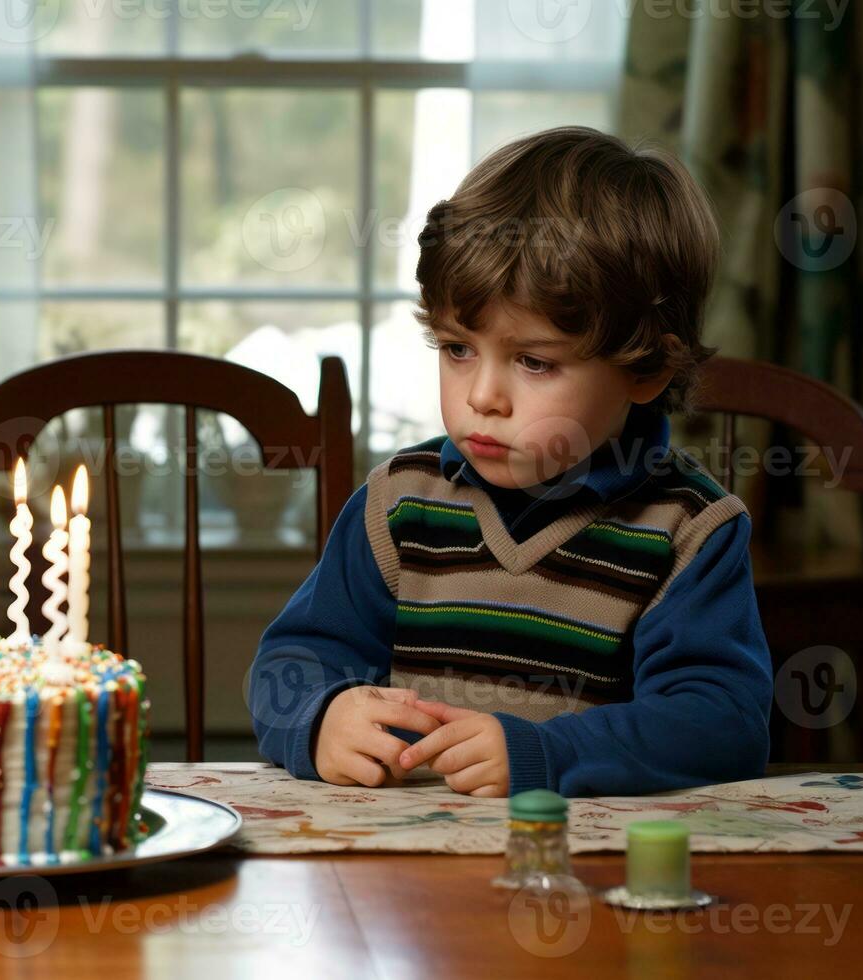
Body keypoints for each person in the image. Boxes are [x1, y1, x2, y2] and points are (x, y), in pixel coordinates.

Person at [247, 126, 774, 798]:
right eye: (457, 349)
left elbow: (719, 724)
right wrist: (317, 717)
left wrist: (544, 755)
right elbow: (289, 663)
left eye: (533, 361)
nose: (482, 397)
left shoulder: (687, 530)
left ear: (646, 371)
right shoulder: (401, 503)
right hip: (399, 883)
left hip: (580, 881)